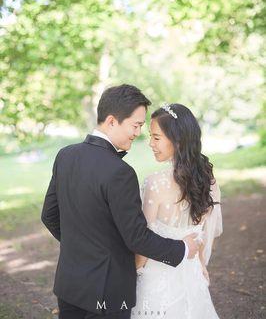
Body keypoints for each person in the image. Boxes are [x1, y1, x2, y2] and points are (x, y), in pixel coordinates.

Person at [41, 85, 199, 319]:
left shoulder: (65, 155)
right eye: (135, 125)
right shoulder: (120, 172)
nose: (138, 133)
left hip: (69, 285)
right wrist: (183, 249)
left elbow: (49, 215)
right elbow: (136, 237)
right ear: (112, 121)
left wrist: (81, 246)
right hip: (108, 292)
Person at [132, 103, 223, 319]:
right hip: (192, 273)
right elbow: (201, 234)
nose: (150, 144)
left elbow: (143, 242)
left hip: (156, 279)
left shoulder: (154, 184)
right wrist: (202, 265)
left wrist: (134, 273)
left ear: (177, 140)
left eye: (156, 137)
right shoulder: (206, 179)